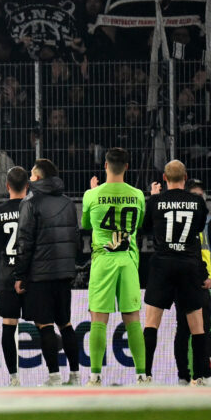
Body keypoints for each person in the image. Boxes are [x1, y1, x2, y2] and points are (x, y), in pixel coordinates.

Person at [141, 160, 211, 385]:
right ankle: (200, 376)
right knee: (197, 325)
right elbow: (199, 228)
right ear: (186, 177)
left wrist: (153, 197)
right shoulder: (197, 202)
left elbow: (144, 228)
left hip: (162, 265)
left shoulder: (156, 201)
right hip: (188, 265)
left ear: (164, 178)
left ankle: (146, 375)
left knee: (152, 322)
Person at [13, 158, 82, 386]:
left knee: (45, 326)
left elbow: (24, 242)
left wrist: (20, 275)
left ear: (38, 178)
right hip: (64, 273)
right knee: (66, 323)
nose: (29, 178)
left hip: (40, 274)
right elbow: (76, 238)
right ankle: (75, 375)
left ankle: (54, 376)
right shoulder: (68, 202)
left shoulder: (30, 203)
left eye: (32, 174)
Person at [81, 146, 147, 385]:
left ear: (105, 165)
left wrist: (93, 192)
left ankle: (95, 376)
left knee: (98, 319)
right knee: (133, 318)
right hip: (128, 261)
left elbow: (86, 224)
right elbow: (138, 223)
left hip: (103, 261)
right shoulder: (138, 195)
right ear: (127, 167)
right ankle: (142, 374)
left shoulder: (91, 195)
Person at [177, 177, 211, 383]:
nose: (198, 199)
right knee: (185, 330)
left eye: (200, 196)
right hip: (185, 282)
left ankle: (199, 374)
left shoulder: (207, 221)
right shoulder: (198, 220)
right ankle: (186, 376)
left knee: (200, 330)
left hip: (202, 284)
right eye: (194, 196)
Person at [0, 166, 28, 385]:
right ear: (27, 186)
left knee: (9, 325)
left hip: (7, 275)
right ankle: (53, 374)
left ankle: (13, 377)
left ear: (7, 185)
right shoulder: (33, 208)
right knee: (43, 323)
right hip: (30, 275)